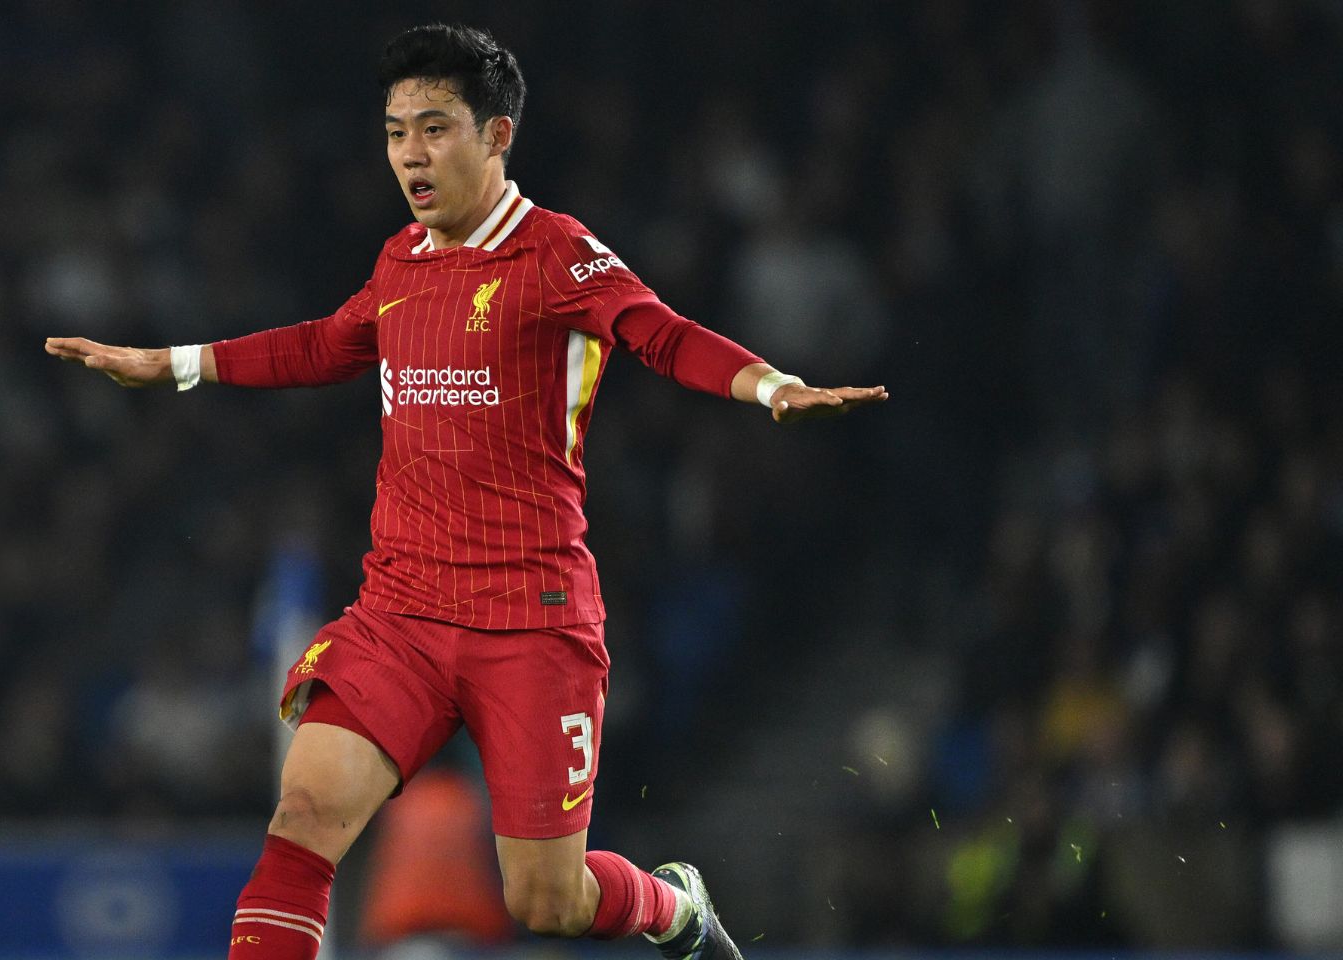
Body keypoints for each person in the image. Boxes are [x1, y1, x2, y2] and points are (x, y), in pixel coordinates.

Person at [46, 23, 887, 960]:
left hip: (531, 619)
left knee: (548, 901)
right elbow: (326, 343)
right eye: (397, 129)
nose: (410, 151)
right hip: (401, 609)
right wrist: (170, 365)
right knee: (307, 811)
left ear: (496, 137)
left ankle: (673, 906)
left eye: (435, 126)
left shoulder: (557, 256)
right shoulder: (400, 262)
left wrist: (771, 386)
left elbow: (660, 332)